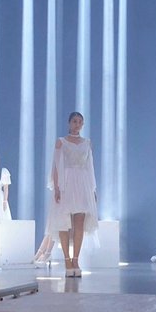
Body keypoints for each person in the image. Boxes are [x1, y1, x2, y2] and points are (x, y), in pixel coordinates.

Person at [47, 112, 99, 277]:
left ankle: (76, 259)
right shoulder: (61, 142)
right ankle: (67, 260)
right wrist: (56, 187)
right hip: (66, 183)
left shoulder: (87, 143)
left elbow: (90, 167)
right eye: (75, 121)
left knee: (79, 223)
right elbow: (56, 166)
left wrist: (93, 189)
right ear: (69, 123)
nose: (77, 124)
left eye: (80, 122)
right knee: (63, 221)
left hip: (83, 184)